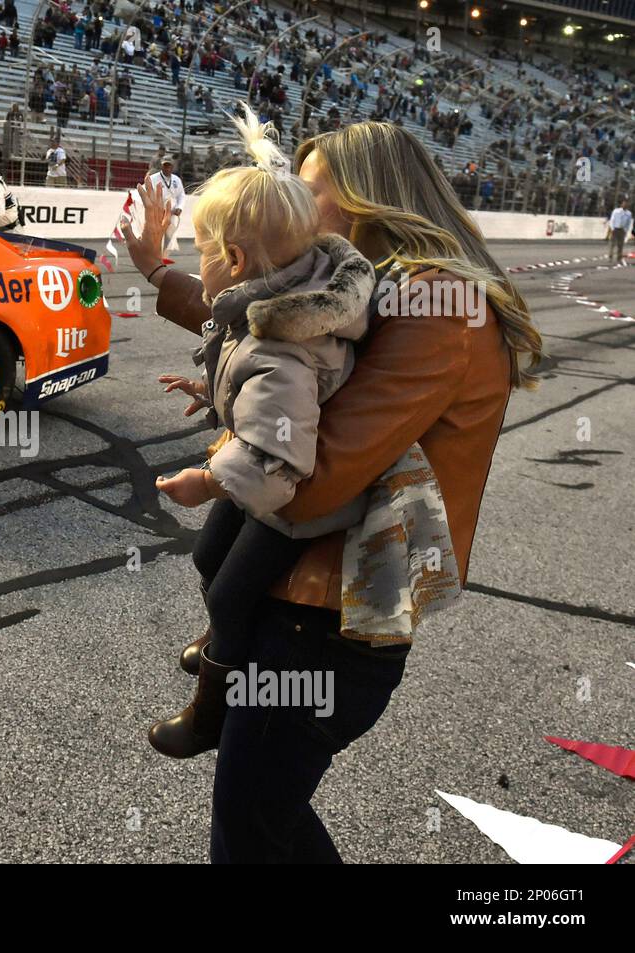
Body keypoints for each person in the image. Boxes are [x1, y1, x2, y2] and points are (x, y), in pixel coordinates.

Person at [124, 120, 543, 863]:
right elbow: (278, 323)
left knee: (251, 827)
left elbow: (312, 485)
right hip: (302, 611)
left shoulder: (440, 307)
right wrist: (161, 271)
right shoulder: (388, 287)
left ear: (364, 199)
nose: (291, 206)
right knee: (265, 821)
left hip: (325, 625)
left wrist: (240, 437)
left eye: (308, 193)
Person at [148, 107, 404, 759]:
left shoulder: (299, 323)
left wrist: (207, 479)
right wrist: (212, 392)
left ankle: (212, 704)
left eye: (310, 190)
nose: (299, 201)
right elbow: (248, 360)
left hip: (292, 493)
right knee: (209, 561)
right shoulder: (297, 284)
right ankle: (223, 644)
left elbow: (284, 414)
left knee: (231, 593)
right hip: (268, 469)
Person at [148, 155, 186, 250]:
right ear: (161, 166)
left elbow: (181, 195)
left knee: (170, 232)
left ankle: (164, 254)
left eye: (169, 166)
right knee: (157, 232)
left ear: (172, 167)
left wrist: (179, 207)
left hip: (172, 211)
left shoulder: (176, 180)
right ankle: (155, 253)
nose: (167, 168)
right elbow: (147, 193)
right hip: (157, 211)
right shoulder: (153, 178)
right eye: (165, 165)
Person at [606, 199, 631, 264]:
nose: (625, 205)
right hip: (615, 229)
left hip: (622, 230)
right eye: (624, 203)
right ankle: (610, 257)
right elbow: (612, 220)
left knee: (620, 245)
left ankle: (619, 258)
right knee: (612, 244)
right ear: (621, 204)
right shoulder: (616, 211)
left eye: (626, 204)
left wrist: (626, 230)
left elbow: (628, 223)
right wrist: (612, 228)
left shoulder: (629, 213)